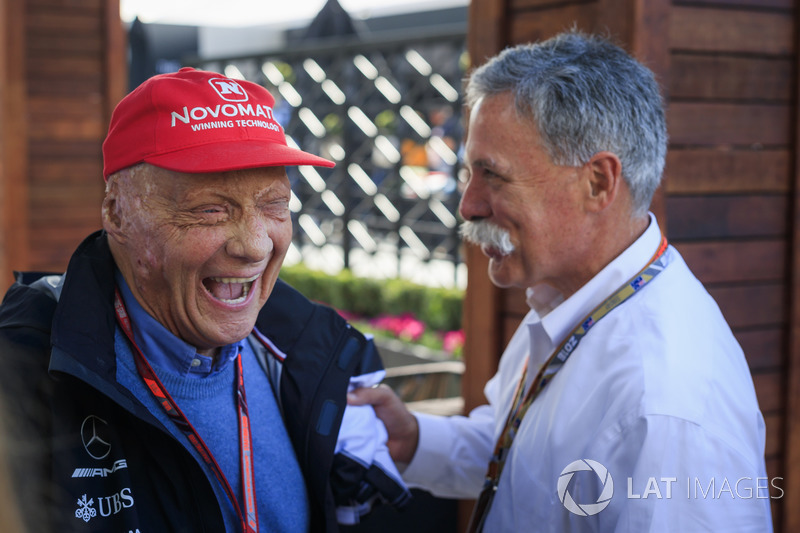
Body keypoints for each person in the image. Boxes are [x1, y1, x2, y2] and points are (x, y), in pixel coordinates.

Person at [349, 31, 774, 532]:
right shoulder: (570, 298)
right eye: (470, 173)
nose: (468, 205)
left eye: (494, 175)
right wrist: (414, 439)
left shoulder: (663, 405)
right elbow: (522, 453)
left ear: (597, 183)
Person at [0, 67, 410, 532]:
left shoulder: (310, 352)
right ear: (117, 212)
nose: (255, 245)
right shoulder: (23, 369)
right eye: (211, 210)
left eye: (274, 204)